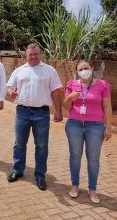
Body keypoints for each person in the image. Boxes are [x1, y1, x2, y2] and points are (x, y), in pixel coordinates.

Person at [7, 44, 63, 191]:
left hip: (42, 113)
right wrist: (11, 92)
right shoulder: (19, 71)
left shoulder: (49, 71)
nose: (33, 57)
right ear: (26, 55)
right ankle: (17, 170)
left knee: (42, 146)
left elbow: (56, 92)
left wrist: (58, 111)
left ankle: (40, 175)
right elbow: (9, 87)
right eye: (30, 54)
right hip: (22, 112)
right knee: (19, 144)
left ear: (41, 54)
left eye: (36, 54)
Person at [63, 60, 112, 204]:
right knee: (75, 157)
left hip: (95, 126)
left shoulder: (102, 85)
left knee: (93, 159)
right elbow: (66, 106)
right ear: (77, 71)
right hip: (74, 125)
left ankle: (92, 189)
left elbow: (107, 107)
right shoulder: (72, 84)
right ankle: (75, 186)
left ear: (92, 68)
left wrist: (108, 127)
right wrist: (70, 97)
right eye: (81, 69)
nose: (84, 71)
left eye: (87, 68)